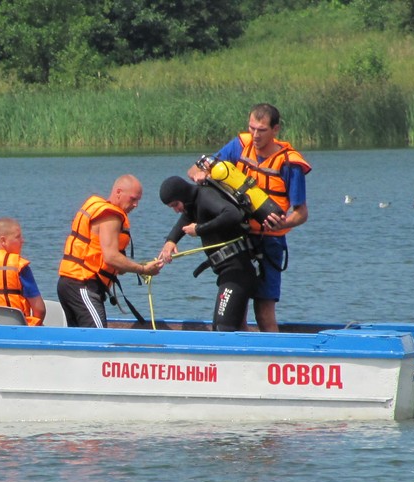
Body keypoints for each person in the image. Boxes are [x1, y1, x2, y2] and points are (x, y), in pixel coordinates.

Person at [188, 103, 311, 332]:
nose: (255, 135)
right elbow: (195, 170)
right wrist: (201, 177)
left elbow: (302, 213)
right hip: (238, 238)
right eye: (252, 128)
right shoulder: (239, 145)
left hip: (270, 241)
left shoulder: (289, 163)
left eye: (262, 130)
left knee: (264, 312)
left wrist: (284, 222)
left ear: (276, 129)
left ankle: (273, 360)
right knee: (237, 311)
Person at [57, 174, 164, 328]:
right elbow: (110, 257)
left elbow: (115, 265)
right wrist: (143, 269)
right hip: (82, 284)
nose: (136, 205)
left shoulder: (101, 210)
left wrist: (132, 265)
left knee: (81, 338)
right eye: (133, 199)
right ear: (118, 192)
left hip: (69, 283)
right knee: (98, 338)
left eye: (138, 200)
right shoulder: (111, 216)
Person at [157, 176, 256, 332]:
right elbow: (186, 218)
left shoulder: (206, 196)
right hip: (227, 273)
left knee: (223, 328)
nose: (175, 210)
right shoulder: (193, 204)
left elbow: (232, 214)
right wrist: (171, 241)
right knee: (221, 327)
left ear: (182, 195)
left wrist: (199, 229)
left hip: (237, 273)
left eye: (175, 204)